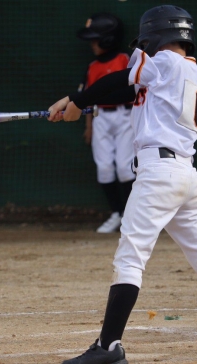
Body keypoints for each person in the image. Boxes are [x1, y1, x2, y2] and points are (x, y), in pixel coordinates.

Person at [48, 5, 197, 364]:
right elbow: (127, 93)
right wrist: (77, 103)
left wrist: (79, 101)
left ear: (156, 36)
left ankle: (108, 346)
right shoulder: (182, 69)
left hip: (159, 174)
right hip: (184, 175)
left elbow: (119, 79)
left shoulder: (165, 62)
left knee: (130, 257)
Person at [76, 12, 135, 233]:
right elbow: (87, 98)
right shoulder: (92, 66)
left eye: (95, 39)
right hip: (100, 117)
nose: (92, 44)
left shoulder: (124, 60)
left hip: (125, 115)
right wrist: (88, 126)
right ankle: (116, 213)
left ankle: (131, 216)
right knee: (104, 168)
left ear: (109, 39)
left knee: (125, 167)